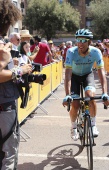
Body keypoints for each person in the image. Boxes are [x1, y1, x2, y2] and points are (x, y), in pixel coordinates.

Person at [0, 0, 33, 169]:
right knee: (9, 154)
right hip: (4, 107)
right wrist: (19, 71)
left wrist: (10, 63)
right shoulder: (1, 45)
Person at [62, 28, 109, 141]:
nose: (80, 44)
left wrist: (105, 93)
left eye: (84, 41)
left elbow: (101, 72)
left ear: (89, 42)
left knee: (91, 96)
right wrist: (67, 94)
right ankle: (73, 127)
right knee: (75, 103)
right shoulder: (71, 52)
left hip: (87, 75)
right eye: (78, 40)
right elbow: (68, 74)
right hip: (74, 77)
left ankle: (93, 125)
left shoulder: (96, 52)